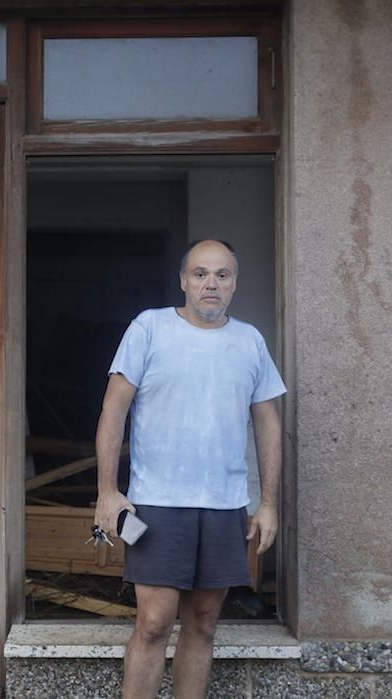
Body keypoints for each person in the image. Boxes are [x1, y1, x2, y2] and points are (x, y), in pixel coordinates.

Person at [94, 239, 285, 698]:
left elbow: (268, 423)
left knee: (202, 623)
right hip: (157, 504)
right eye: (200, 274)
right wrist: (107, 492)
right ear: (183, 281)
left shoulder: (250, 341)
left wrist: (268, 504)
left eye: (222, 275)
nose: (211, 284)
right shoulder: (149, 328)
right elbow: (113, 409)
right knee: (154, 622)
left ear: (235, 283)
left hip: (223, 506)